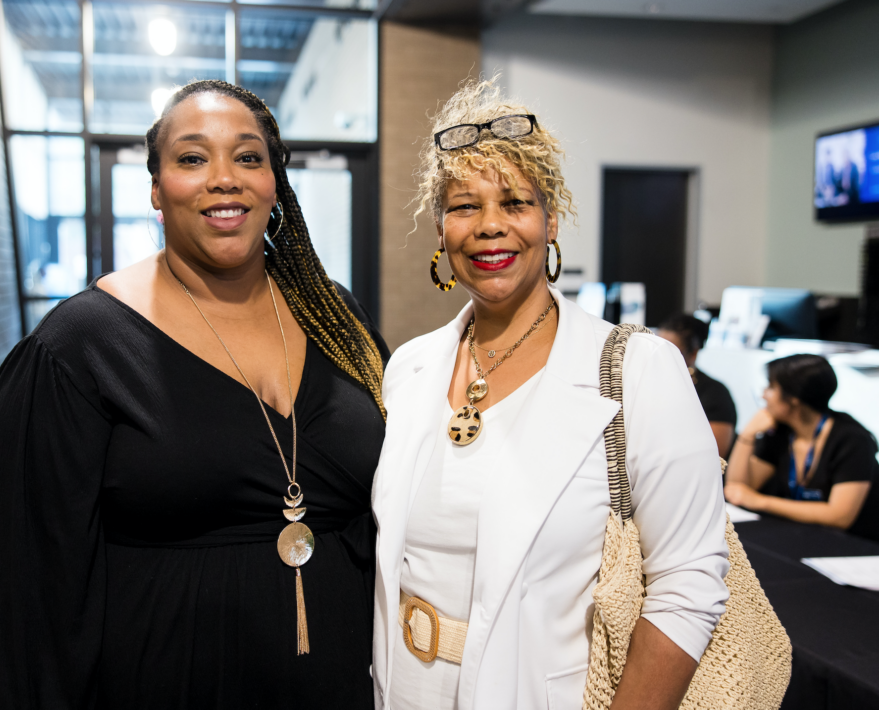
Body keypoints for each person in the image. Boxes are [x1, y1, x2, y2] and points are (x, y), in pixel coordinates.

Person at [0, 80, 388, 710]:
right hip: (169, 680)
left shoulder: (334, 317)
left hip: (344, 682)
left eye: (248, 157)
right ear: (157, 190)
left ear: (276, 183)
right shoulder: (80, 347)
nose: (225, 178)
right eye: (193, 158)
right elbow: (28, 592)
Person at [371, 79, 730, 710]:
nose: (489, 227)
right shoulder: (410, 368)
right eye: (463, 206)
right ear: (439, 227)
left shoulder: (638, 370)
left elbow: (689, 581)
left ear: (551, 219)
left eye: (514, 203)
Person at [724, 354, 878, 540]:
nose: (763, 394)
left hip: (855, 545)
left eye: (771, 387)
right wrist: (746, 436)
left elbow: (840, 516)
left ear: (794, 398)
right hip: (802, 535)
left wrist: (760, 501)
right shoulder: (781, 433)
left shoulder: (852, 440)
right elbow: (738, 489)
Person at [658, 313, 737, 457]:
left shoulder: (714, 393)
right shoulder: (645, 383)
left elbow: (715, 456)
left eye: (670, 352)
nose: (658, 357)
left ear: (693, 353)